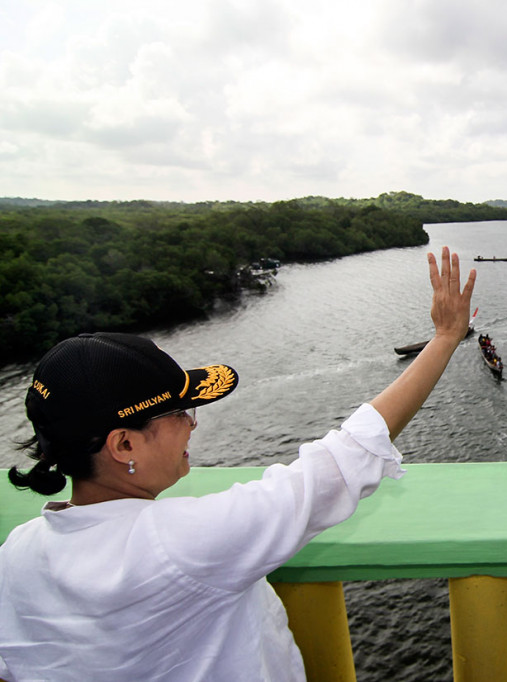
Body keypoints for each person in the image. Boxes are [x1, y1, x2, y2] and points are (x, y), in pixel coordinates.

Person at [0, 247, 475, 682]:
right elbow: (346, 457)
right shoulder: (182, 543)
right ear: (124, 445)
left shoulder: (16, 554)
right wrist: (446, 337)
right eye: (180, 413)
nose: (192, 425)